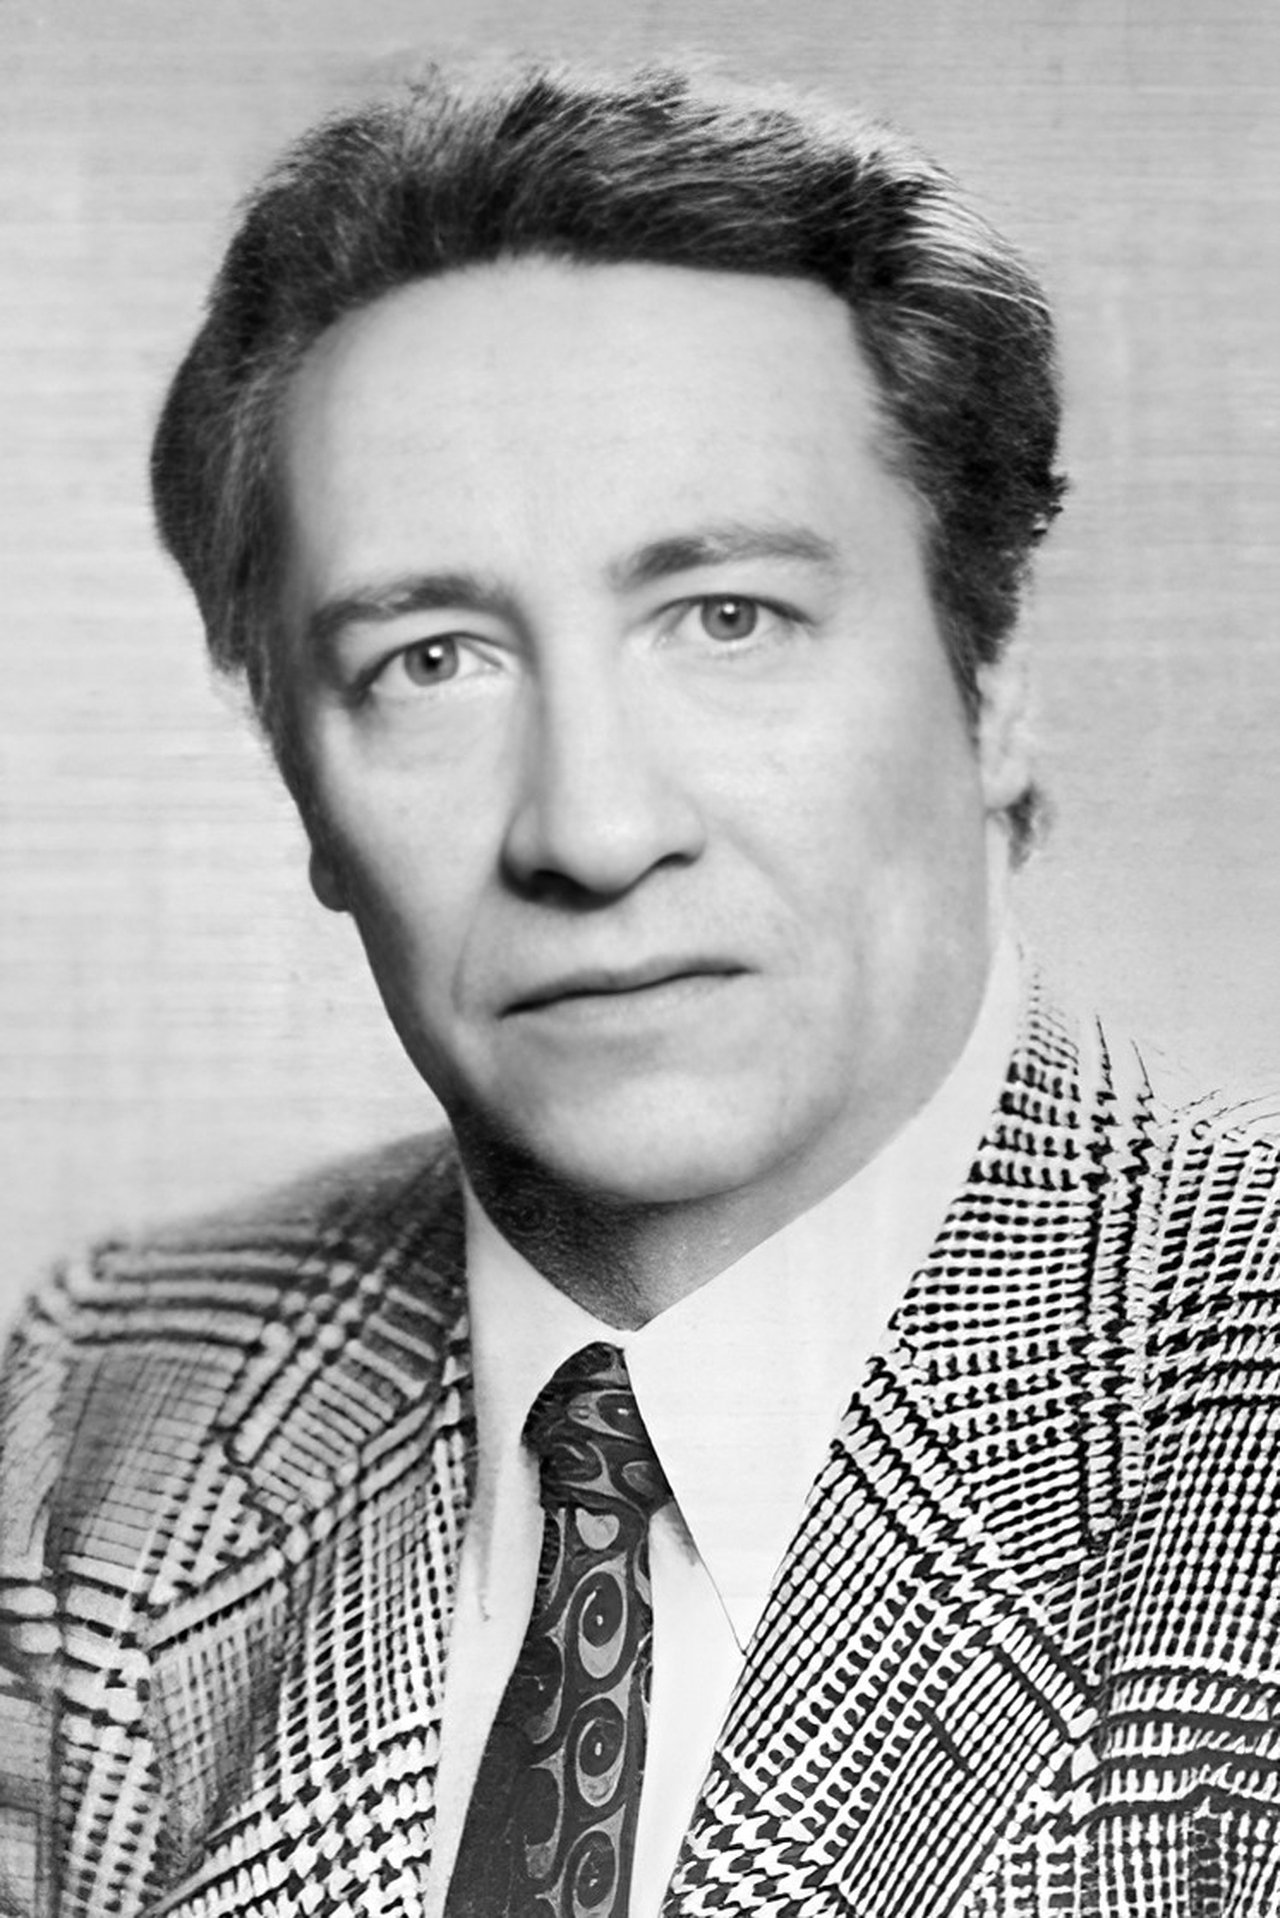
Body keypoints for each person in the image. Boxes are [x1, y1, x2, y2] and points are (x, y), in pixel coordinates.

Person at [2, 54, 1278, 1918]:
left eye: (727, 619)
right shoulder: (99, 1397)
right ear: (298, 776)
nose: (592, 831)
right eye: (432, 660)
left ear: (994, 680)